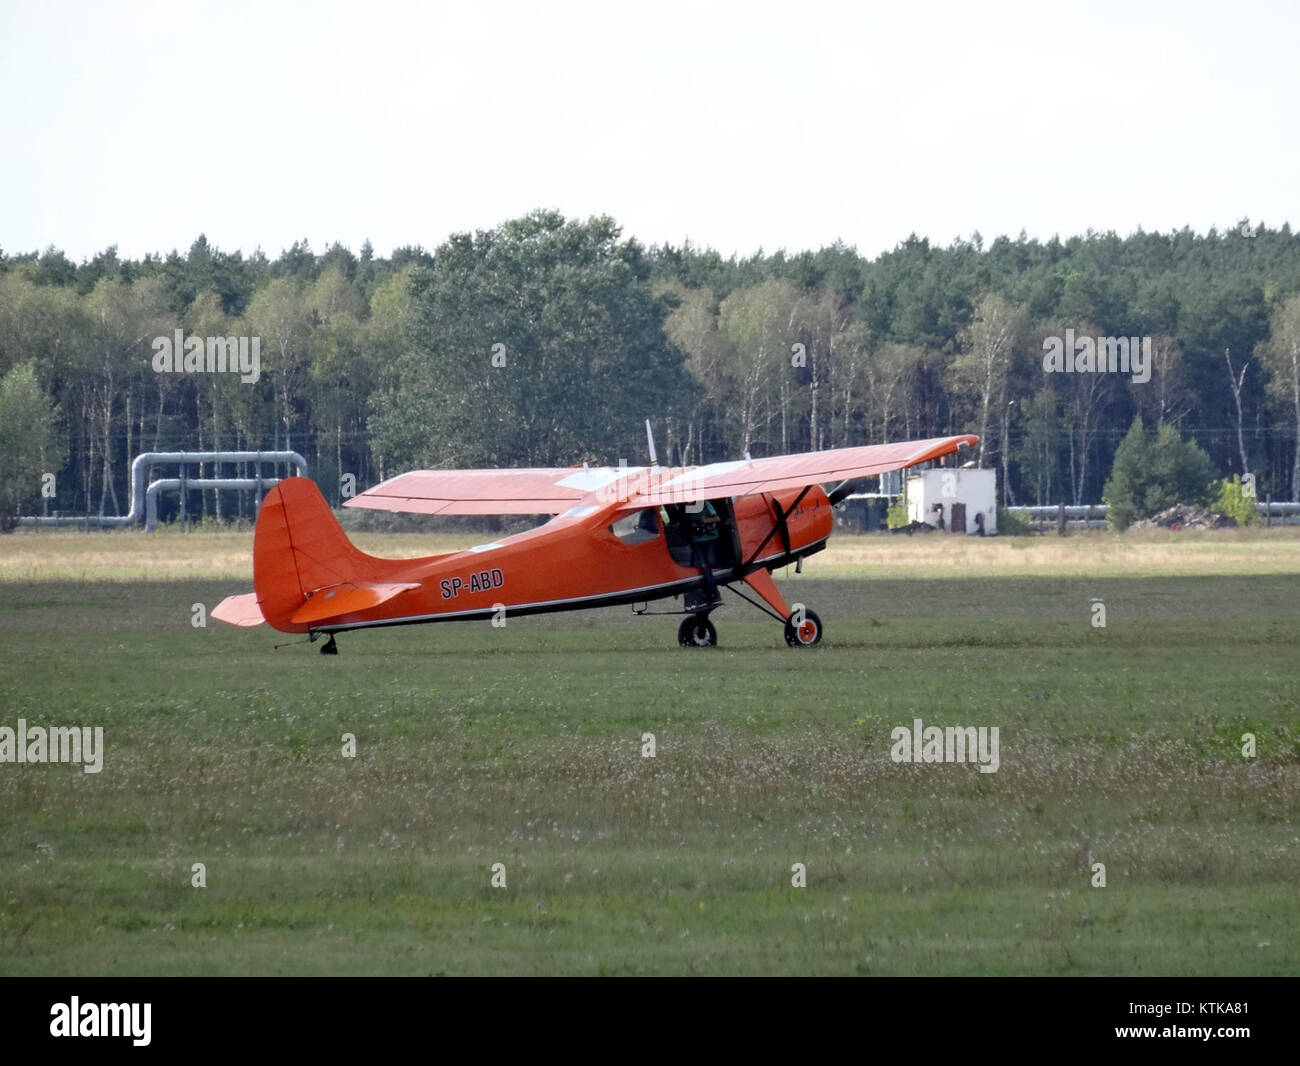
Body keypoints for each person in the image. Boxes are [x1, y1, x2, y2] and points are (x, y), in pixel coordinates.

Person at [688, 499, 723, 607]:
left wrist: (704, 521)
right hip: (697, 540)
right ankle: (711, 595)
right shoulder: (687, 507)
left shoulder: (704, 503)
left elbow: (717, 518)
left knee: (707, 564)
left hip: (710, 538)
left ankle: (714, 595)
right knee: (702, 566)